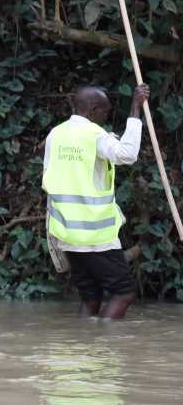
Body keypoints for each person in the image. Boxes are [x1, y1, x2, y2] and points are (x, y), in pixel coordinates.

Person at [43, 84, 150, 320]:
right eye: (105, 111)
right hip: (95, 235)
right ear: (92, 110)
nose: (106, 117)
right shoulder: (95, 135)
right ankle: (102, 344)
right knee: (124, 292)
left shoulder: (56, 134)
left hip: (67, 234)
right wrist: (135, 108)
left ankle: (85, 343)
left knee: (91, 297)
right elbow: (127, 154)